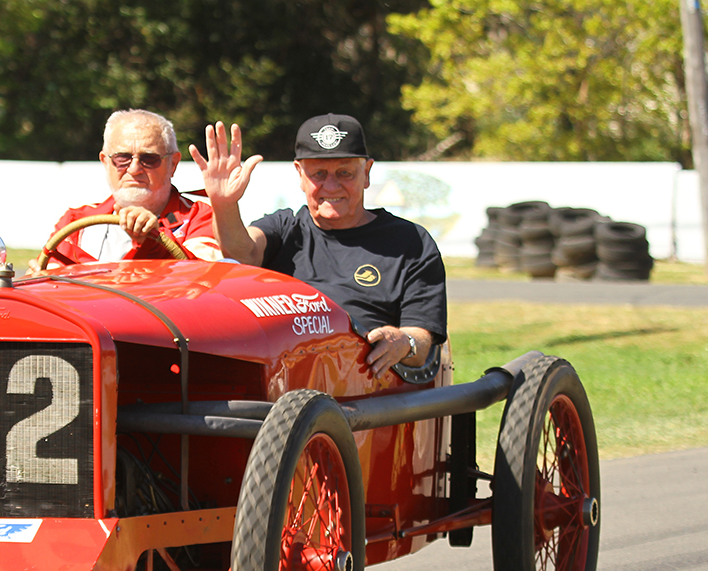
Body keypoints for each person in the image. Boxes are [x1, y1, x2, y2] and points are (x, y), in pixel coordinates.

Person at [189, 114, 447, 378]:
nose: (331, 185)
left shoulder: (409, 242)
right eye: (319, 174)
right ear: (300, 175)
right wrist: (223, 204)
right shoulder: (283, 228)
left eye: (345, 173)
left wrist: (403, 342)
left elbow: (423, 341)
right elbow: (243, 253)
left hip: (369, 395)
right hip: (281, 386)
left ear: (367, 173)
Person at [40, 109, 222, 267]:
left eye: (149, 159)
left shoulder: (201, 218)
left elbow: (200, 286)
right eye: (122, 159)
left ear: (172, 164)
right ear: (105, 162)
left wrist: (151, 241)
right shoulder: (76, 222)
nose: (134, 169)